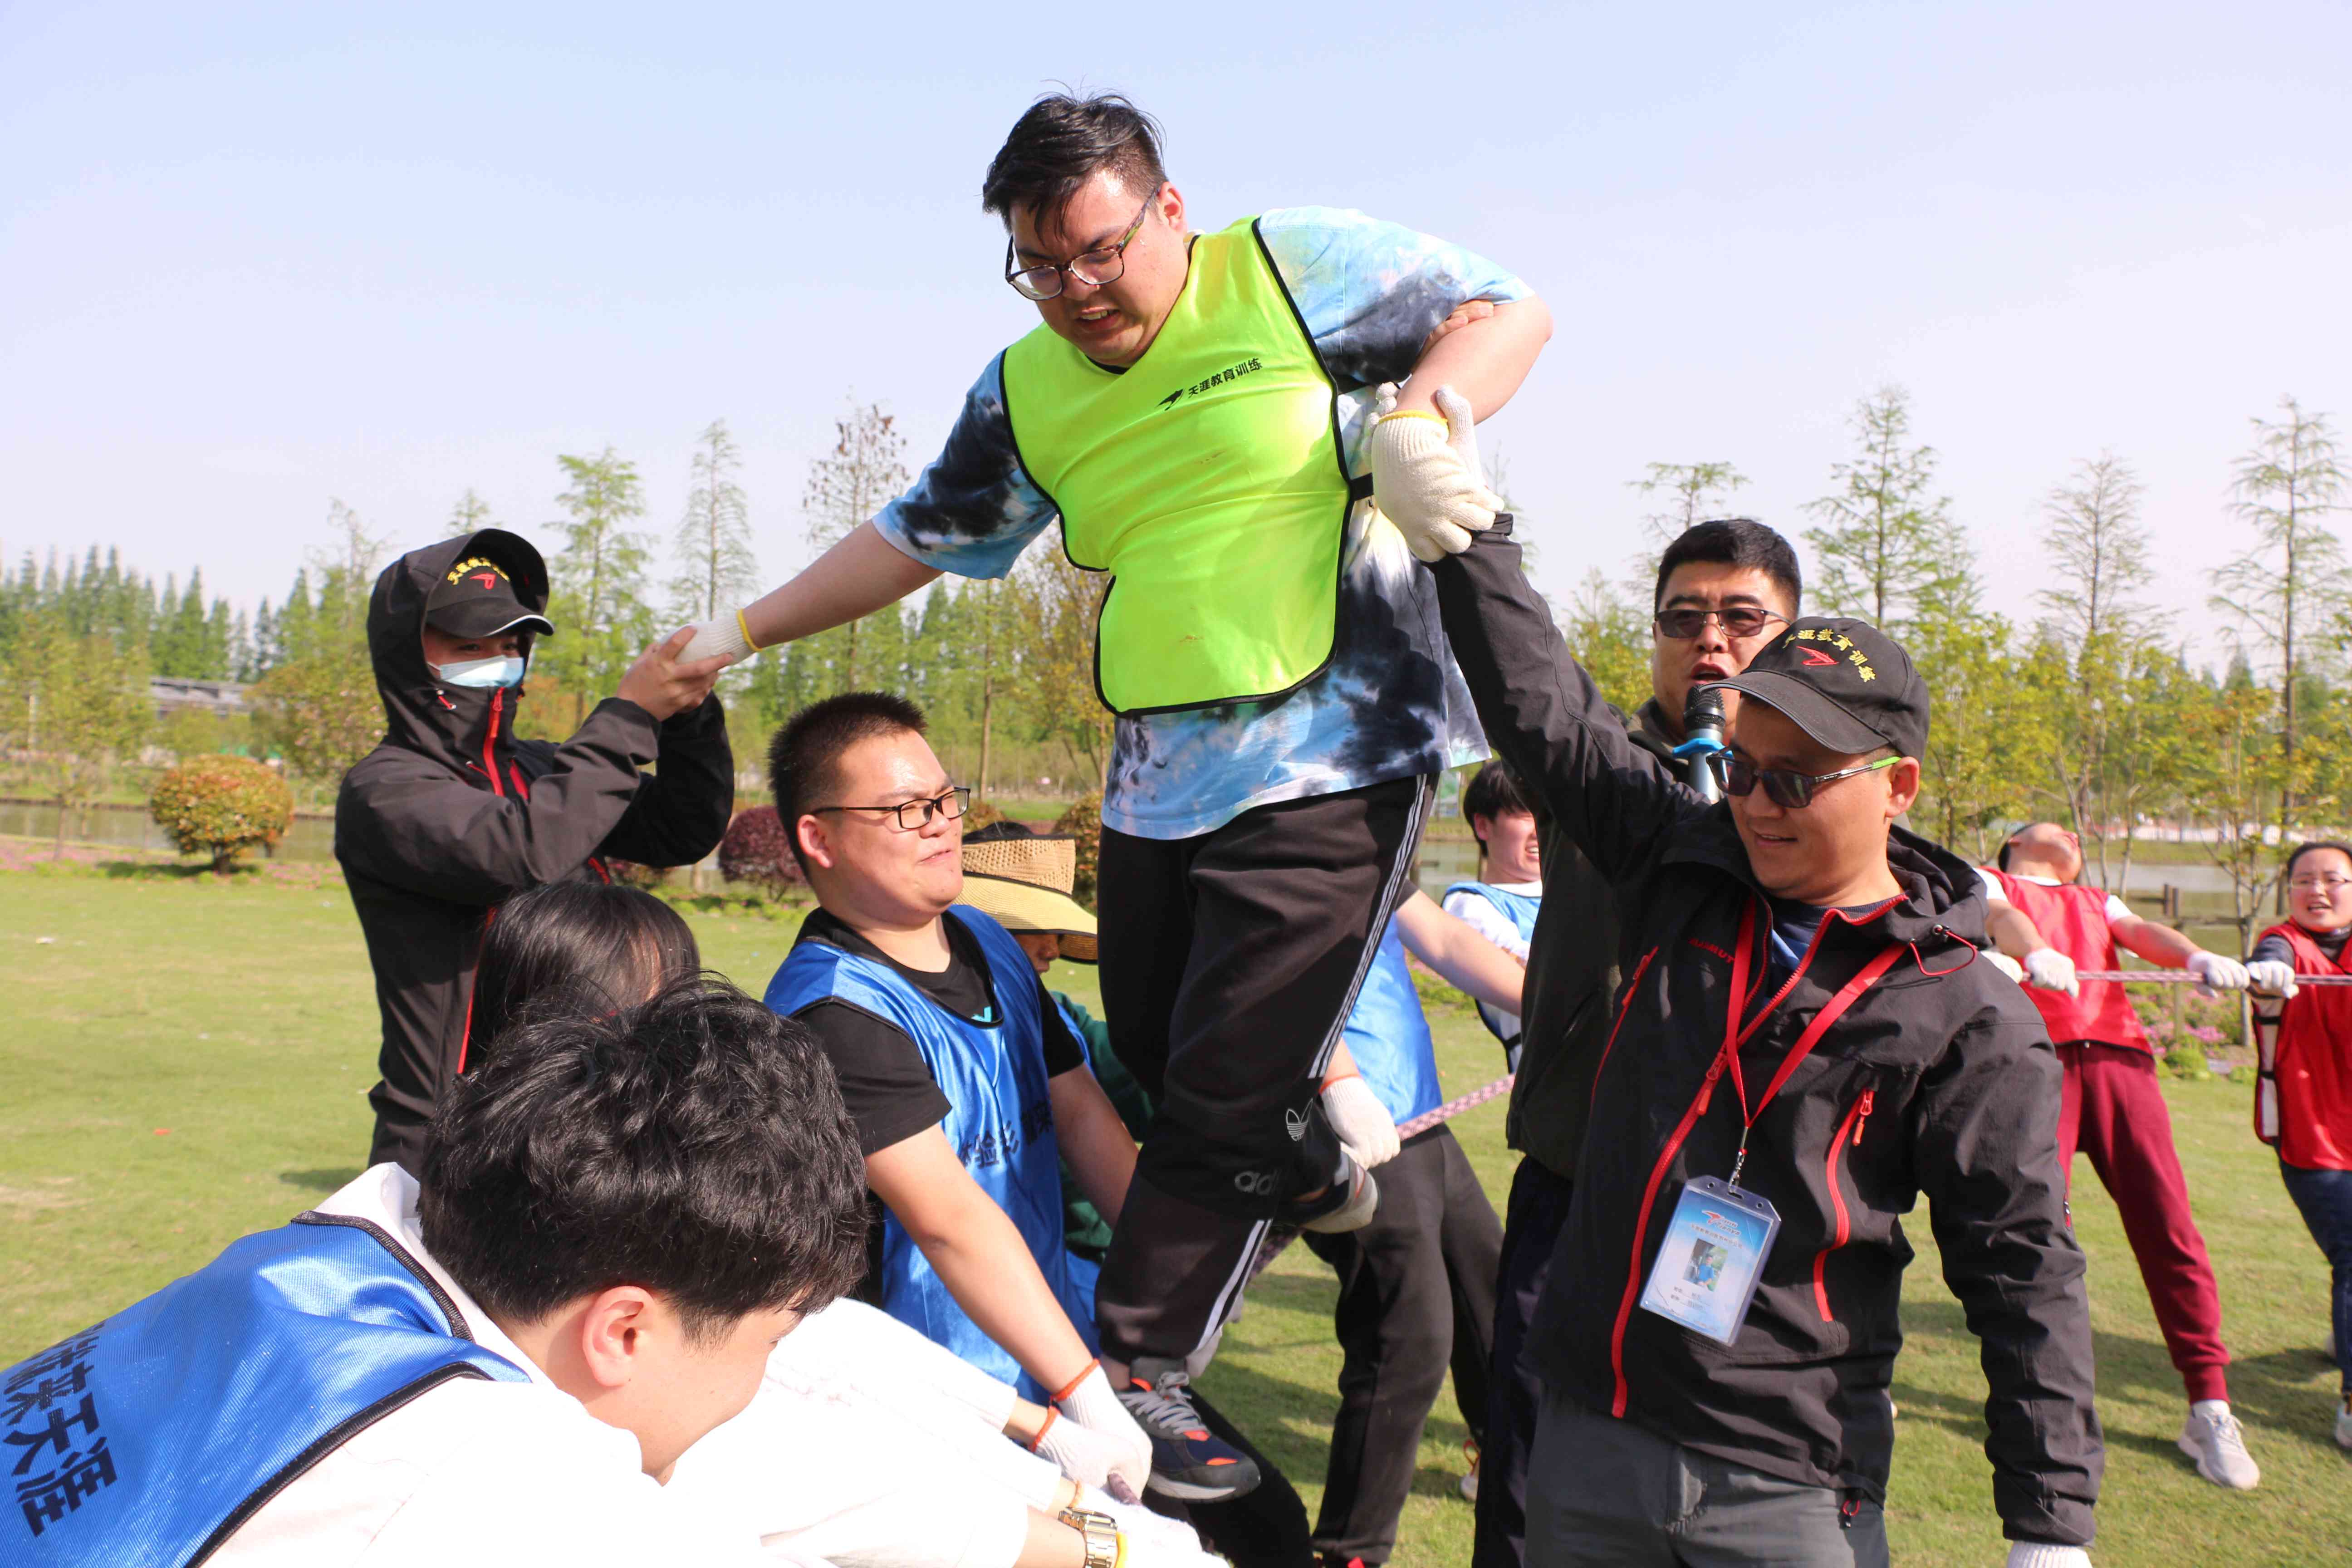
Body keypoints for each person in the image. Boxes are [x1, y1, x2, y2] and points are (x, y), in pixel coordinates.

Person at [680, 93, 1550, 1444]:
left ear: (1169, 212)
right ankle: (1311, 1150)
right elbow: (921, 533)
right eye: (1041, 263)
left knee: (1221, 1080)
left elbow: (1509, 309)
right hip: (1161, 774)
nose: (1077, 288)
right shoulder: (1024, 386)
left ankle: (1134, 1367)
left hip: (1339, 748)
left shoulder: (1286, 267)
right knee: (1147, 1038)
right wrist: (735, 634)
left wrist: (1427, 420)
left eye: (1098, 250)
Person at [1430, 497, 2102, 1566]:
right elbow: (1544, 706)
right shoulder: (1682, 869)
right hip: (1590, 1444)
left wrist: (2050, 1525)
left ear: (1897, 786)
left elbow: (2022, 1269)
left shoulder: (1969, 1013)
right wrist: (1469, 530)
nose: (1756, 804)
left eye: (1795, 780)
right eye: (1744, 768)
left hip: (1787, 1482)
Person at [0, 978, 867, 1566]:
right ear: (624, 1330)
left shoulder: (331, 1251)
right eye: (773, 1338)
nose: (763, 1379)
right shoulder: (499, 1485)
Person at [758, 692, 1203, 1504]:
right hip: (931, 1398)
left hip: (1049, 1345)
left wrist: (1172, 1289)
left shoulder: (988, 939)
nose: (939, 824)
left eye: (943, 800)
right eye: (904, 810)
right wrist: (1086, 1396)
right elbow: (946, 1219)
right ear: (816, 838)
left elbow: (1078, 1112)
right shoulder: (833, 1010)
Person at [1468, 516, 1803, 1568]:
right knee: (1530, 1461)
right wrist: (1478, 535)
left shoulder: (1818, 792)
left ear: (1795, 638)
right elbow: (1532, 689)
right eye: (1684, 618)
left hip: (1735, 1206)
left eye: (1744, 619)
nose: (1711, 641)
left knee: (1715, 1474)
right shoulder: (1599, 770)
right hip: (1577, 1180)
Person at [334, 527, 735, 1173]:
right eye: (469, 646)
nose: (496, 661)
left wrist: (686, 714)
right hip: (453, 1144)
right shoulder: (385, 790)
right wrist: (629, 716)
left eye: (510, 646)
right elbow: (526, 849)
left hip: (590, 1126)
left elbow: (683, 829)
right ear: (409, 655)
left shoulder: (544, 771)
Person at [1978, 822, 2261, 1489]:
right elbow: (2000, 916)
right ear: (2016, 841)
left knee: (2169, 1225)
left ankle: (2210, 1404)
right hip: (2035, 1059)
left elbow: (2141, 935)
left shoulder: (2097, 899)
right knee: (2042, 1237)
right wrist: (2036, 950)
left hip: (2120, 1062)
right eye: (2051, 827)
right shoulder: (1992, 880)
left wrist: (2191, 955)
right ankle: (2053, 1405)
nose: (2069, 834)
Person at [1299, 892, 1516, 1568]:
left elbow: (1447, 941)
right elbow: (1267, 977)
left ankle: (1514, 1492)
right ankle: (1349, 1553)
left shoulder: (1376, 839)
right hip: (1355, 1131)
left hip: (1420, 1126)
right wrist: (1337, 1082)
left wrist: (1561, 1000)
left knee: (1498, 1308)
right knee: (1408, 1340)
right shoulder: (1283, 839)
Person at [2244, 840, 2352, 1450]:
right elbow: (2269, 957)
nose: (2318, 891)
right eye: (2304, 881)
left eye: (2334, 879)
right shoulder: (2283, 944)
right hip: (2314, 1138)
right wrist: (2268, 976)